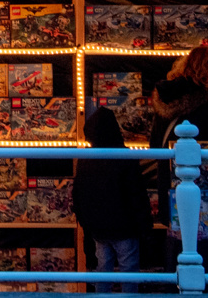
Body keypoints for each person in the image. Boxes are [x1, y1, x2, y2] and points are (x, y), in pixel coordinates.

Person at [148, 45, 208, 260]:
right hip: (202, 188)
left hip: (168, 183)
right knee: (201, 248)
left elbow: (155, 145)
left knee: (176, 244)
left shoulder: (165, 99)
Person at [73, 106, 151, 294]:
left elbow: (78, 195)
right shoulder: (125, 157)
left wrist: (86, 223)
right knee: (129, 270)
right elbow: (136, 195)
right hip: (125, 227)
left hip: (98, 228)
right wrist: (145, 225)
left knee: (103, 270)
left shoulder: (85, 159)